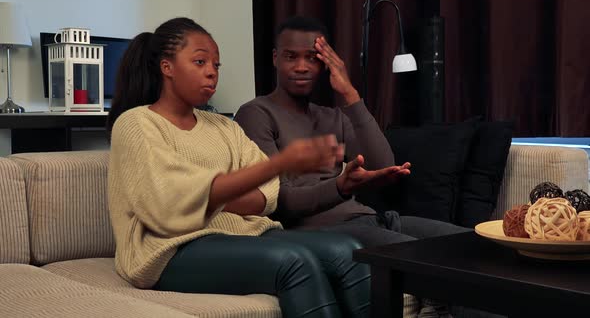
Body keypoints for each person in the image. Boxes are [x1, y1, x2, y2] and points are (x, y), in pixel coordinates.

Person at [106, 17, 371, 318]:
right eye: (200, 61)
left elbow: (268, 195)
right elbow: (168, 204)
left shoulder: (223, 127)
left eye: (216, 65)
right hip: (168, 250)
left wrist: (209, 198)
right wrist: (279, 164)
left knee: (348, 251)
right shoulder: (137, 124)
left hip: (246, 235)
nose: (211, 72)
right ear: (167, 67)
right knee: (293, 261)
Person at [234, 16, 470, 317]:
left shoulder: (333, 116)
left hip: (375, 219)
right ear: (275, 58)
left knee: (473, 245)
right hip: (326, 233)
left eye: (312, 58)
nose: (302, 67)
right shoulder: (256, 114)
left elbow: (384, 165)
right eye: (291, 57)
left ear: (326, 64)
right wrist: (339, 186)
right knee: (430, 260)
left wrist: (349, 93)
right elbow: (279, 200)